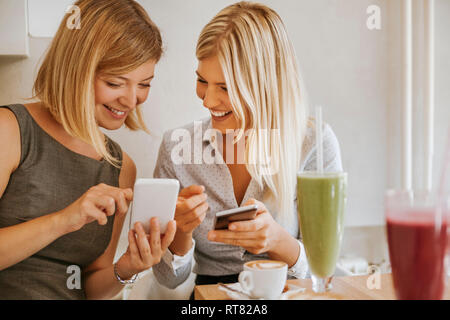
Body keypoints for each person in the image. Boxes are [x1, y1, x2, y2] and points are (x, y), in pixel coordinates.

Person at [152, 1, 343, 298]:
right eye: (202, 81)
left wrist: (278, 241)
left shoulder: (313, 143)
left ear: (265, 85)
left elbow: (325, 270)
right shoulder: (177, 148)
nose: (208, 100)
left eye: (226, 88)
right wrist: (181, 233)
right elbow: (168, 278)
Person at [0, 0, 176, 299]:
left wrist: (128, 267)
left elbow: (91, 286)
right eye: (115, 82)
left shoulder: (121, 167)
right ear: (76, 70)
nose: (131, 100)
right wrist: (64, 220)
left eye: (144, 84)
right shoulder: (10, 130)